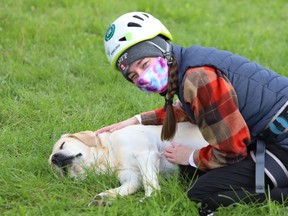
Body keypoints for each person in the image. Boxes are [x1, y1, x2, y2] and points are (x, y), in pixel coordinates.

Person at [99, 12, 288, 215]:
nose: (142, 77)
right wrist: (138, 120)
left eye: (144, 64)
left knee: (201, 194)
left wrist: (191, 156)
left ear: (162, 49)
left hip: (281, 141)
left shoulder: (198, 78)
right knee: (191, 171)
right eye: (133, 76)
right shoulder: (187, 65)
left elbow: (231, 152)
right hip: (273, 133)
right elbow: (193, 109)